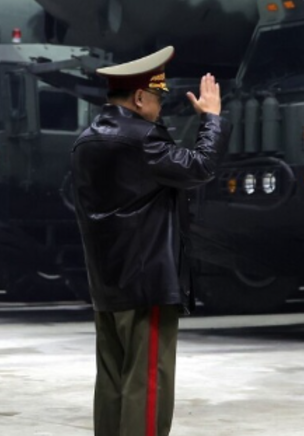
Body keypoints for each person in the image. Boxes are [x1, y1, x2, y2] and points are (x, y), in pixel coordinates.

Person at [70, 46, 230, 436]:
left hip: (106, 283)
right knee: (147, 382)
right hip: (147, 284)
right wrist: (211, 119)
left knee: (111, 381)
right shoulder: (142, 138)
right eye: (158, 99)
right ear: (140, 97)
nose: (160, 110)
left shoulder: (84, 141)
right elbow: (200, 167)